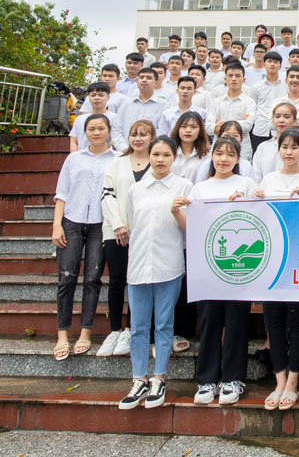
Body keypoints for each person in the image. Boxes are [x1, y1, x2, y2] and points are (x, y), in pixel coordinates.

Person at [117, 136, 193, 409]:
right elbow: (131, 224)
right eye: (156, 154)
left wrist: (176, 212)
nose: (160, 159)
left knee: (163, 325)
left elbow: (191, 227)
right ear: (149, 156)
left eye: (166, 155)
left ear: (174, 158)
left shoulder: (184, 186)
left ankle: (159, 378)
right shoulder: (137, 190)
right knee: (138, 327)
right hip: (138, 265)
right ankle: (139, 379)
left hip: (168, 265)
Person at [183, 137, 258, 406]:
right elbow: (191, 224)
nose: (223, 159)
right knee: (209, 321)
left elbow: (257, 218)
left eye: (230, 154)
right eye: (219, 153)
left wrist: (251, 200)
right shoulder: (199, 188)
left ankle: (232, 378)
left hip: (240, 268)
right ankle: (207, 380)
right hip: (207, 264)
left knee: (237, 322)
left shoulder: (246, 184)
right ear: (211, 157)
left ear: (238, 159)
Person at [253, 129, 299, 410]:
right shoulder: (268, 180)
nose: (289, 151)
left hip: (298, 258)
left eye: (295, 147)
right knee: (273, 320)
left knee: (296, 319)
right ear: (278, 150)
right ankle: (279, 379)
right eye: (285, 146)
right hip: (271, 259)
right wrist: (256, 198)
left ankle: (293, 380)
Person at [51, 114, 115, 361]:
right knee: (66, 278)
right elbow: (62, 193)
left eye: (101, 128)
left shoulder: (117, 159)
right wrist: (57, 225)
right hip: (72, 222)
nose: (96, 132)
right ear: (84, 132)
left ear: (109, 131)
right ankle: (62, 335)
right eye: (91, 129)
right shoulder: (73, 159)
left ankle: (85, 332)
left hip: (101, 224)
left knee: (92, 278)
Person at [96, 119, 154, 358]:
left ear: (152, 137)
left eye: (143, 134)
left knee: (138, 281)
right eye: (133, 134)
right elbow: (107, 195)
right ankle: (115, 330)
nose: (137, 139)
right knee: (117, 279)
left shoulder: (157, 162)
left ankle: (131, 328)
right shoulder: (116, 163)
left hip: (144, 232)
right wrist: (119, 225)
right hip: (116, 230)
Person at [252, 102, 299, 176]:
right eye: (277, 116)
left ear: (294, 121)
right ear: (273, 120)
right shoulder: (263, 147)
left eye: (286, 117)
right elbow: (256, 175)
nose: (281, 120)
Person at [193, 121, 258, 184]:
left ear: (241, 139)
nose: (230, 138)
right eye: (226, 135)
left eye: (235, 136)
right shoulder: (207, 164)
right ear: (219, 137)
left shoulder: (246, 165)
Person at [70, 82, 116, 153]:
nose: (96, 98)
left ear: (108, 97)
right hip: (83, 158)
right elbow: (74, 141)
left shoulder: (115, 118)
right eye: (93, 95)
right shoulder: (80, 119)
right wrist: (75, 157)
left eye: (101, 95)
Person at [168, 111, 210, 180]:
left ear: (200, 130)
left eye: (193, 127)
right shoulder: (169, 153)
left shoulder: (206, 157)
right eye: (184, 126)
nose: (188, 130)